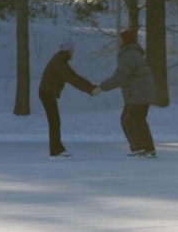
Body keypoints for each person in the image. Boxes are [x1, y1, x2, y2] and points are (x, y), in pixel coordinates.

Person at [97, 29, 158, 157]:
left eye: (120, 39)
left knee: (127, 120)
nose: (118, 41)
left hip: (138, 94)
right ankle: (149, 149)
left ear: (126, 41)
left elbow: (119, 78)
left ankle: (138, 148)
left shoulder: (128, 55)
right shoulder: (134, 53)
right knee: (139, 120)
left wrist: (101, 87)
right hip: (144, 93)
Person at [37, 38, 97, 158]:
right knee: (54, 122)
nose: (73, 51)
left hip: (47, 93)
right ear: (69, 49)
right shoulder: (59, 60)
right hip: (46, 93)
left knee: (55, 122)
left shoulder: (60, 59)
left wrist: (88, 87)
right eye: (72, 49)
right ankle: (56, 151)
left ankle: (57, 149)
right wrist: (89, 87)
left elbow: (71, 76)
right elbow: (70, 77)